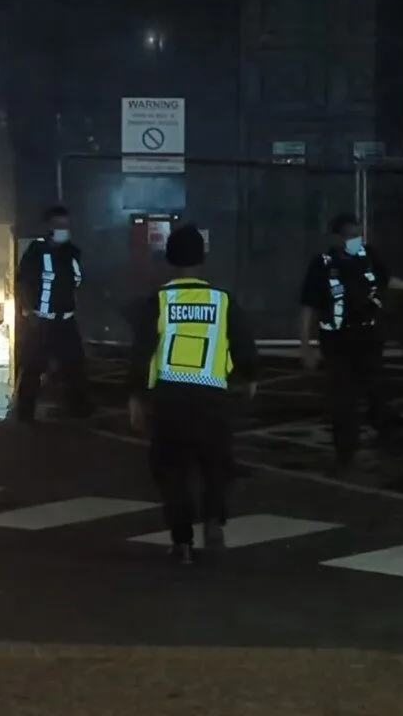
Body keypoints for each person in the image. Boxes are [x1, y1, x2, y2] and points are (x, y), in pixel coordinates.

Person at [126, 224, 258, 565]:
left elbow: (141, 352)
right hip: (212, 399)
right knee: (215, 465)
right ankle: (214, 522)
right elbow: (244, 344)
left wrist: (136, 396)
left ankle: (182, 543)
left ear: (168, 261)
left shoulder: (156, 302)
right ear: (203, 260)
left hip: (169, 399)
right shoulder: (222, 301)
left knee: (171, 471)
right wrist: (250, 378)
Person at [298, 212, 403, 473]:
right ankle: (346, 453)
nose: (355, 240)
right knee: (343, 397)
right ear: (337, 238)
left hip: (369, 337)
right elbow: (308, 307)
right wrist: (306, 345)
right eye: (350, 236)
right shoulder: (323, 265)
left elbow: (387, 280)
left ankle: (386, 443)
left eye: (358, 235)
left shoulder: (369, 257)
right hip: (337, 339)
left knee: (377, 391)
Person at [14, 204, 93, 422]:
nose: (63, 228)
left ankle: (81, 411)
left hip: (66, 321)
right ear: (49, 226)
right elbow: (23, 282)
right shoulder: (36, 251)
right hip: (40, 322)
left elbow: (78, 281)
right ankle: (25, 415)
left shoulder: (72, 252)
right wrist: (28, 312)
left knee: (76, 368)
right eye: (59, 224)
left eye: (65, 224)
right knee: (32, 369)